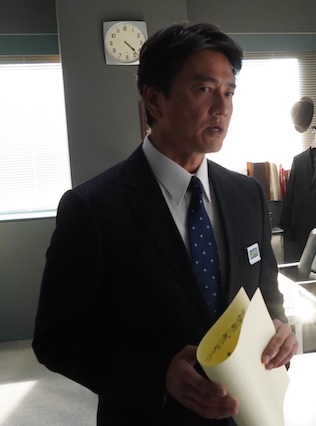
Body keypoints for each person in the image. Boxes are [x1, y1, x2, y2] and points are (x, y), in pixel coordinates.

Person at [32, 22, 297, 425]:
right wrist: (158, 376)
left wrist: (281, 332)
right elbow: (56, 340)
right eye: (204, 89)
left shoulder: (247, 196)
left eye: (229, 92)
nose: (222, 107)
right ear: (154, 100)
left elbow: (267, 298)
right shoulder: (93, 209)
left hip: (247, 413)